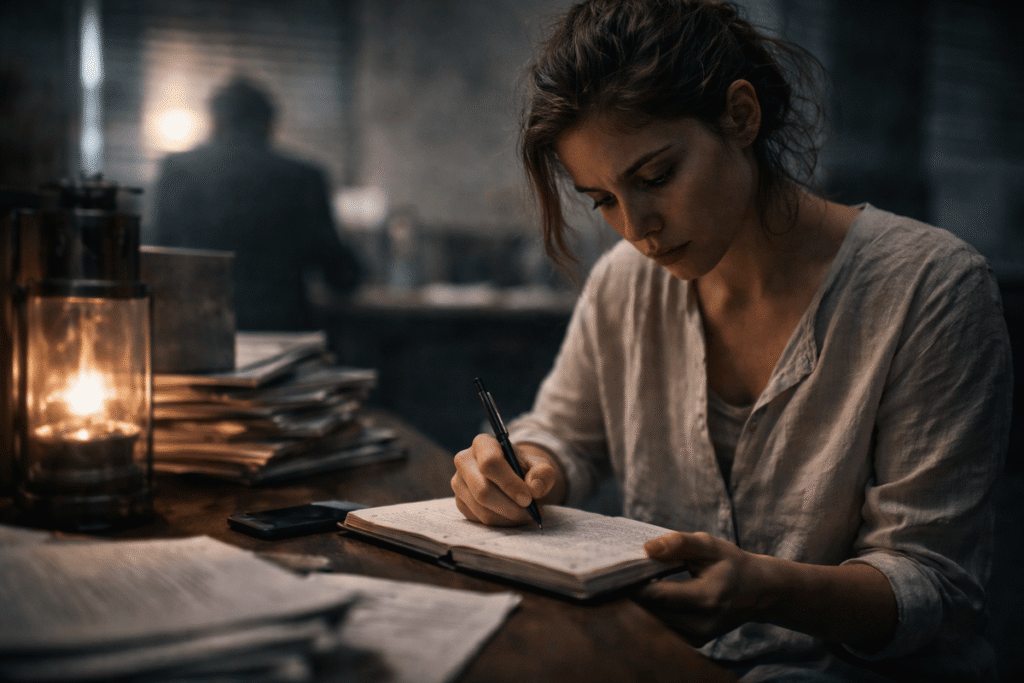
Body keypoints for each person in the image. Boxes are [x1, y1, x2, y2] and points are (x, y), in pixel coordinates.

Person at [449, 1, 1012, 681]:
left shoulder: (930, 289)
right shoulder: (626, 283)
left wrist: (770, 591)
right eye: (603, 200)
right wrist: (525, 468)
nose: (637, 227)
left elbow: (935, 585)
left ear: (741, 116)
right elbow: (567, 433)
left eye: (656, 177)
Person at [149, 76, 362, 331]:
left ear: (215, 121)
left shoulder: (176, 171)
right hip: (279, 329)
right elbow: (340, 276)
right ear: (268, 123)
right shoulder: (303, 177)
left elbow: (156, 258)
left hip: (196, 328)